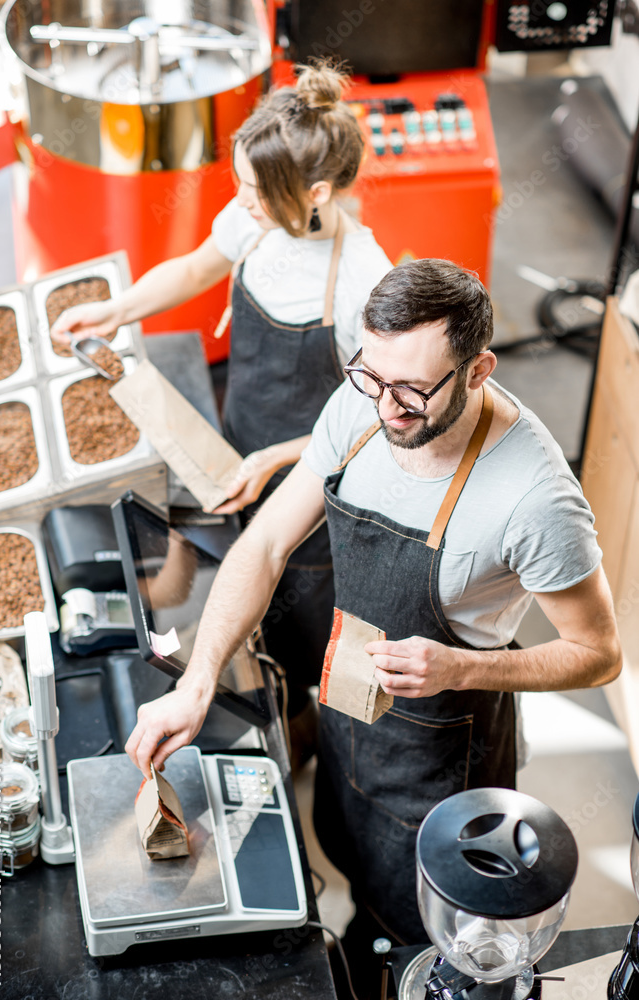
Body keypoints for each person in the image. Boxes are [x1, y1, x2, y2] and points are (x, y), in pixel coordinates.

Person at [125, 257, 621, 962]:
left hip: (442, 751)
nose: (387, 407)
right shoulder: (364, 404)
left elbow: (598, 653)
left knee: (418, 931)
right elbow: (265, 544)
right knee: (347, 851)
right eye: (372, 377)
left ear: (478, 371)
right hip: (349, 703)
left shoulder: (534, 500)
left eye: (412, 391)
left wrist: (458, 667)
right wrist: (197, 681)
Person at [50, 62, 392, 744]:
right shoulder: (256, 223)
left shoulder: (364, 280)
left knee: (295, 608)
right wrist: (116, 310)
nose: (240, 202)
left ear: (316, 191)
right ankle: (194, 607)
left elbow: (377, 412)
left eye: (255, 192)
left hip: (308, 474)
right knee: (215, 535)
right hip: (242, 431)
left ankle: (297, 718)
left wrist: (276, 459)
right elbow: (198, 265)